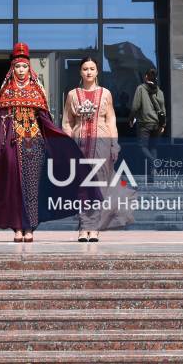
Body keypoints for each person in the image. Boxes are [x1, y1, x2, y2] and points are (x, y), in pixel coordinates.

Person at [0, 42, 97, 243]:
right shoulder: (6, 91)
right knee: (13, 187)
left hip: (34, 144)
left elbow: (46, 120)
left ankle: (30, 227)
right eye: (17, 66)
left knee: (33, 187)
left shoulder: (37, 89)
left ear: (29, 68)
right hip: (12, 145)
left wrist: (58, 142)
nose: (21, 70)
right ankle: (17, 227)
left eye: (24, 66)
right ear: (12, 68)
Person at [62, 57, 134, 242]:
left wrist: (114, 144)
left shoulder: (105, 94)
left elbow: (111, 120)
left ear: (97, 71)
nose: (88, 72)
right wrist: (68, 144)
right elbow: (67, 122)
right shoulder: (72, 95)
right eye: (85, 68)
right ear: (80, 71)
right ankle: (83, 226)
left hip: (101, 142)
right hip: (79, 143)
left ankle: (94, 227)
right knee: (81, 185)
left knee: (99, 184)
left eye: (92, 68)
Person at [129, 68, 166, 166]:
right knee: (153, 147)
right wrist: (163, 124)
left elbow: (135, 106)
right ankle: (154, 171)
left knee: (142, 147)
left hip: (144, 123)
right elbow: (163, 108)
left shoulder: (141, 88)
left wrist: (131, 118)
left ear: (146, 76)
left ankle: (155, 162)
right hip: (157, 124)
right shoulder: (159, 91)